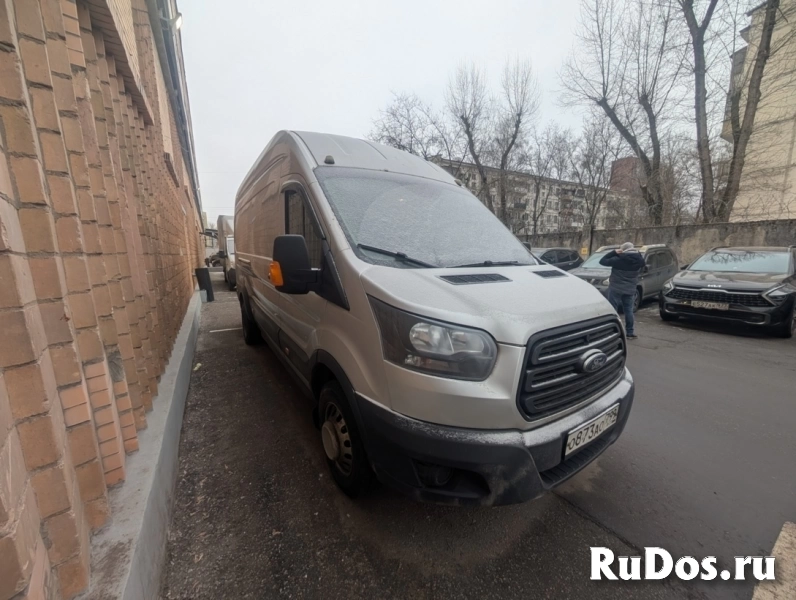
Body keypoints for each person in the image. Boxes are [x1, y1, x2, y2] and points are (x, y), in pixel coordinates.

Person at [599, 242, 645, 339]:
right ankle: (630, 332)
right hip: (630, 289)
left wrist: (614, 252)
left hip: (615, 288)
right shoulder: (640, 260)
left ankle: (612, 331)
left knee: (613, 310)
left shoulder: (618, 259)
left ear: (623, 249)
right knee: (629, 311)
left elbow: (602, 261)